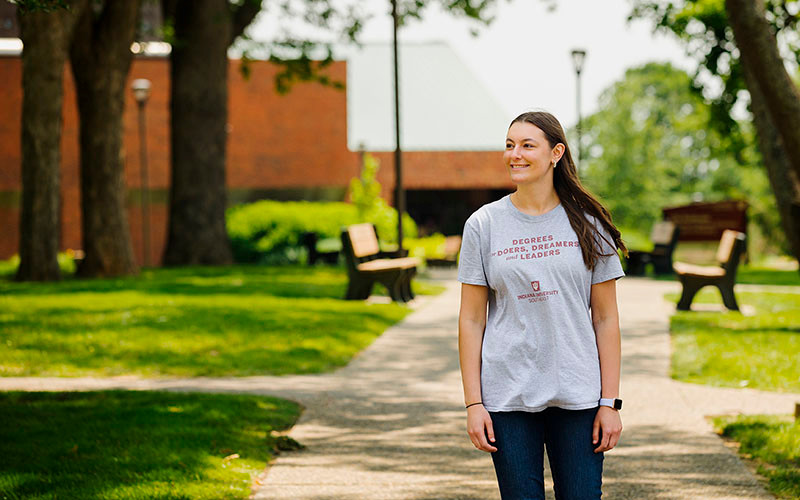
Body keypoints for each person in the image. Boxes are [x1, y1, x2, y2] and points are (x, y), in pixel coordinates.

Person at [457, 111, 627, 499]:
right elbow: (470, 320)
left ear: (556, 153)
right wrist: (473, 403)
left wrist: (610, 403)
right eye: (509, 145)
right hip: (508, 396)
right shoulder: (483, 225)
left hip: (579, 395)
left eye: (527, 145)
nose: (514, 154)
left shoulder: (588, 224)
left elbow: (605, 318)